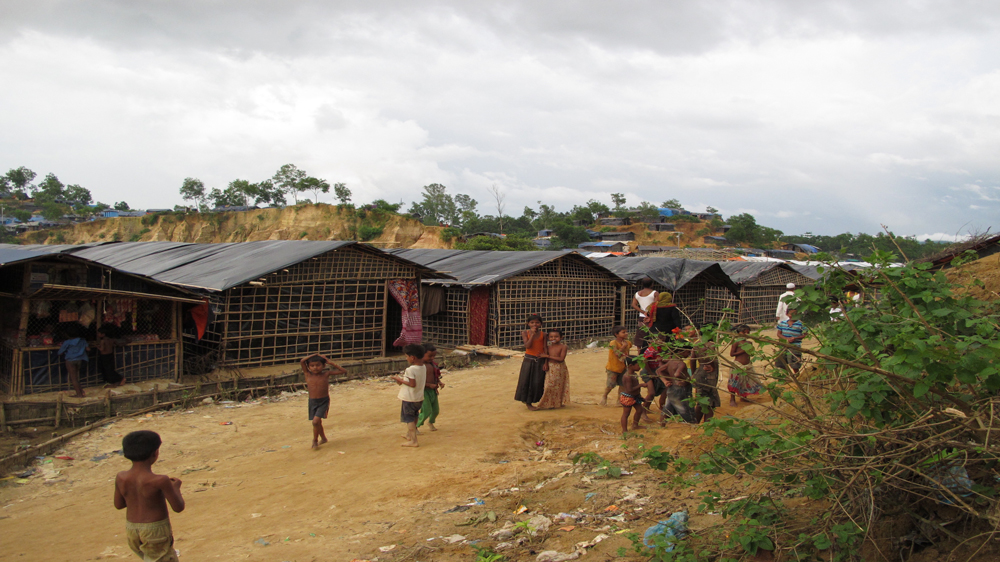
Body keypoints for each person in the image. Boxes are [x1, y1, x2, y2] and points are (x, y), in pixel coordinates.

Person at [114, 430, 185, 562]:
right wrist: (175, 488)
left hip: (132, 529)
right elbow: (178, 507)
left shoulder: (121, 477)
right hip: (155, 530)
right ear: (155, 453)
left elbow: (119, 505)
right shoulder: (160, 480)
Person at [301, 353, 347, 449]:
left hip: (323, 401)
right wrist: (314, 354)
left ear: (324, 365)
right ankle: (323, 438)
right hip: (312, 401)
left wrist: (331, 363)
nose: (315, 368)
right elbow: (302, 361)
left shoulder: (326, 374)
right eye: (312, 366)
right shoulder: (307, 374)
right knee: (318, 422)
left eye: (318, 365)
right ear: (308, 367)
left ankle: (315, 440)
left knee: (315, 422)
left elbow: (343, 371)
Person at [392, 344, 426, 447]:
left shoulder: (410, 369)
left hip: (409, 398)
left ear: (412, 357)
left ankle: (414, 441)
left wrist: (399, 379)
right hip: (418, 397)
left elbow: (412, 384)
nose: (406, 358)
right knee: (415, 416)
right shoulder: (423, 367)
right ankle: (409, 435)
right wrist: (402, 381)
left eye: (406, 356)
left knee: (409, 419)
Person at [514, 314, 546, 410]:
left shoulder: (543, 334)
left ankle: (538, 400)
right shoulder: (525, 333)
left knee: (538, 381)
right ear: (528, 324)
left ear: (541, 324)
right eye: (532, 322)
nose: (534, 324)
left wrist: (546, 361)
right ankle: (528, 403)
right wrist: (532, 335)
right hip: (529, 360)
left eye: (537, 322)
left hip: (540, 360)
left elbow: (545, 348)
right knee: (527, 381)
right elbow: (527, 346)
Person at [655, 352, 696, 425]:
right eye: (687, 352)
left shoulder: (671, 362)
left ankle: (662, 424)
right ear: (681, 352)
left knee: (667, 408)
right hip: (681, 388)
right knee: (685, 409)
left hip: (672, 388)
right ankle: (691, 424)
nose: (688, 354)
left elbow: (658, 371)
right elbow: (677, 374)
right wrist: (688, 379)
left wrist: (665, 381)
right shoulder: (681, 363)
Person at [727, 324, 762, 407]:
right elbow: (732, 354)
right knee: (735, 381)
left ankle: (743, 397)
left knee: (746, 381)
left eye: (748, 332)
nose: (746, 334)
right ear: (739, 333)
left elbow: (750, 353)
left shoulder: (749, 343)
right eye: (744, 332)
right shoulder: (736, 343)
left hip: (748, 365)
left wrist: (750, 351)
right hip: (738, 365)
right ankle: (732, 399)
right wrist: (743, 351)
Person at [537, 329, 570, 409]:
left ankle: (557, 403)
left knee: (558, 385)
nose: (553, 338)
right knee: (549, 385)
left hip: (559, 368)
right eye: (551, 337)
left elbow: (561, 359)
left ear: (561, 337)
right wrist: (545, 363)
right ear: (548, 338)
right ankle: (547, 403)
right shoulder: (548, 347)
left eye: (556, 337)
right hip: (550, 367)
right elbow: (546, 358)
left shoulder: (563, 347)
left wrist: (547, 356)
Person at [602, 326, 631, 406]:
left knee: (622, 384)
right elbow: (617, 354)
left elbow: (627, 354)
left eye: (626, 332)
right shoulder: (613, 343)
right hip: (613, 367)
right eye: (623, 332)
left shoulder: (628, 343)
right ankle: (605, 396)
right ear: (616, 334)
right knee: (610, 385)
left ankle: (619, 400)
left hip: (624, 367)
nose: (626, 333)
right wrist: (623, 346)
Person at [417, 344, 443, 431]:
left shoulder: (433, 365)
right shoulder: (419, 367)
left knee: (435, 410)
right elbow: (417, 381)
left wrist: (439, 382)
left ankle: (431, 422)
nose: (432, 358)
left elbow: (435, 376)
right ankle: (415, 426)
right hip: (423, 392)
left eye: (434, 356)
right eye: (430, 356)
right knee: (426, 410)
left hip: (433, 391)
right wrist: (428, 385)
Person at [57, 325, 88, 398]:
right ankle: (81, 392)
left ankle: (79, 394)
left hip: (70, 360)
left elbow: (60, 352)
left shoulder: (67, 342)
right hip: (80, 360)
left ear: (67, 334)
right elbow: (88, 348)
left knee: (73, 378)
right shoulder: (82, 340)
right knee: (76, 377)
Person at [776, 307, 808, 375]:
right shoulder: (782, 323)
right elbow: (779, 334)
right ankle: (786, 376)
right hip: (784, 345)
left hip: (795, 346)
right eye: (791, 314)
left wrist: (795, 338)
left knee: (794, 363)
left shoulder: (801, 324)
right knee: (781, 361)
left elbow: (805, 334)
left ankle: (797, 375)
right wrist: (786, 339)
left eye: (795, 314)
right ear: (787, 314)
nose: (793, 315)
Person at [692, 351, 721, 423]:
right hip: (708, 373)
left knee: (702, 400)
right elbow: (709, 355)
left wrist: (694, 374)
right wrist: (710, 364)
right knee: (709, 400)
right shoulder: (709, 345)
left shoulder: (696, 346)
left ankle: (695, 423)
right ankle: (706, 424)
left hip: (700, 371)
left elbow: (692, 359)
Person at [631, 278, 658, 351]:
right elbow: (656, 305)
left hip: (642, 317)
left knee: (640, 336)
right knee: (652, 335)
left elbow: (634, 305)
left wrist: (643, 312)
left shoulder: (637, 294)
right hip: (652, 317)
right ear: (652, 284)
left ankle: (639, 353)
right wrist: (649, 313)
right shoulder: (655, 293)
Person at [619, 358, 645, 434]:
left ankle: (635, 425)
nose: (640, 367)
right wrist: (640, 385)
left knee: (639, 410)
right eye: (638, 365)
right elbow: (629, 389)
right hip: (628, 397)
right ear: (631, 365)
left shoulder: (633, 374)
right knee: (626, 414)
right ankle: (624, 430)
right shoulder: (628, 377)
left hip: (635, 396)